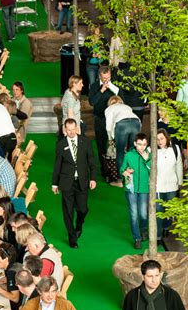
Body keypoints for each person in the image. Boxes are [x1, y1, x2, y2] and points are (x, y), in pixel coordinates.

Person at [52, 118, 97, 248]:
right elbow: (57, 165)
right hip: (66, 183)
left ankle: (79, 224)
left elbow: (91, 162)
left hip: (82, 181)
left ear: (77, 128)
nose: (71, 132)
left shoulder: (85, 142)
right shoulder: (60, 144)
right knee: (68, 211)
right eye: (68, 130)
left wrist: (93, 178)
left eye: (73, 129)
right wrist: (55, 184)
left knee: (83, 209)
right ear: (65, 130)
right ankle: (72, 238)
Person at [120, 133, 151, 249]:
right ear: (134, 144)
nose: (142, 147)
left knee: (143, 213)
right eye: (139, 144)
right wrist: (125, 171)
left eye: (144, 144)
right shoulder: (128, 155)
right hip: (130, 188)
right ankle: (137, 238)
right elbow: (122, 169)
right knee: (133, 214)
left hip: (144, 188)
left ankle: (143, 230)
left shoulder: (149, 155)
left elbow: (153, 170)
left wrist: (147, 160)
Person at [88, 65, 119, 177]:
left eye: (108, 78)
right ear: (100, 76)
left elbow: (121, 99)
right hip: (100, 119)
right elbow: (92, 102)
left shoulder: (115, 86)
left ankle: (115, 170)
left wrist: (114, 89)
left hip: (113, 120)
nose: (107, 80)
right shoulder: (94, 86)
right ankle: (104, 170)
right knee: (101, 145)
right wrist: (101, 91)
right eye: (104, 78)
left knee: (114, 144)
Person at [105, 96, 141, 183]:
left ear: (110, 102)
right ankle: (131, 178)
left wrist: (110, 138)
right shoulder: (127, 106)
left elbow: (109, 126)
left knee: (120, 152)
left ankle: (120, 180)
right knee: (132, 152)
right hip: (136, 122)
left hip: (122, 124)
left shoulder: (109, 108)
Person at [156, 128, 183, 243]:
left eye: (161, 138)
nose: (159, 141)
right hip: (158, 186)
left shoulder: (175, 149)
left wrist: (180, 182)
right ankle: (157, 236)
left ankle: (166, 228)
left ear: (167, 138)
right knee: (158, 210)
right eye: (157, 139)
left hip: (172, 184)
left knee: (169, 210)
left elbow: (178, 166)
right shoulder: (152, 150)